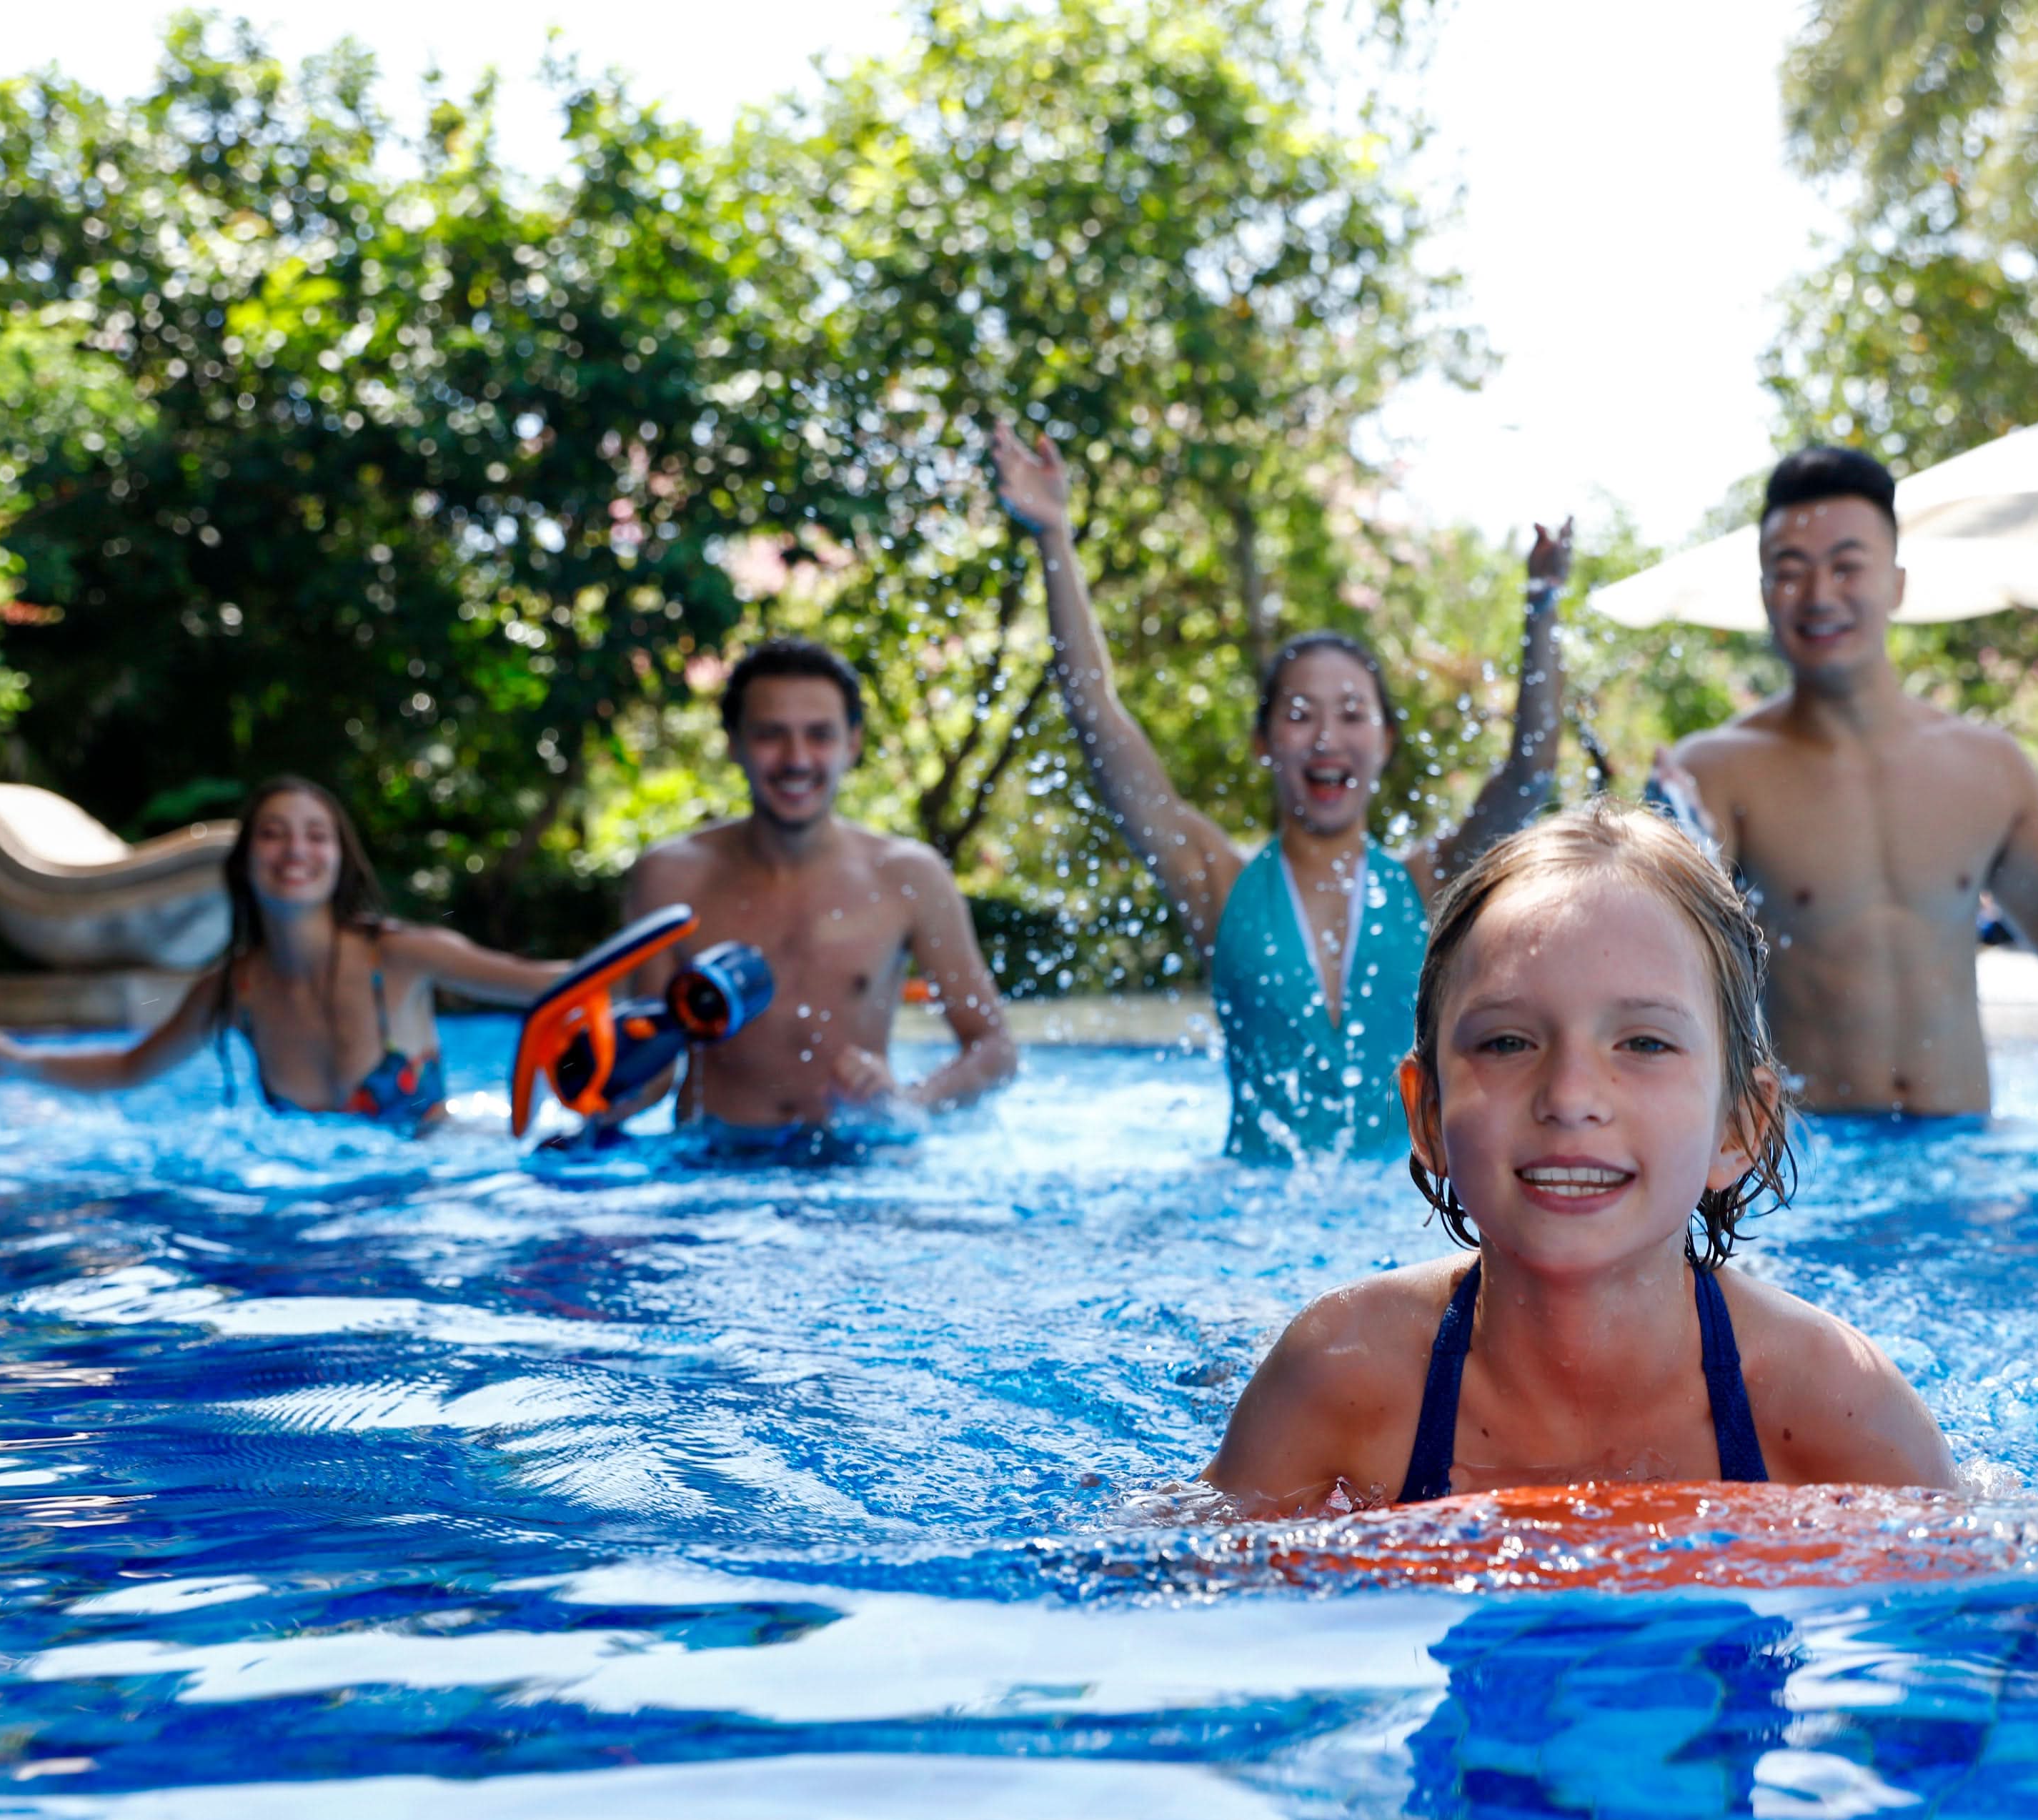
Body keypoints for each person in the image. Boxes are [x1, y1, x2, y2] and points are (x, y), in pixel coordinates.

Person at [1207, 802, 1956, 1514]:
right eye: (1507, 1042)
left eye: (1644, 1043)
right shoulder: (1340, 1378)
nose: (1569, 1096)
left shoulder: (1836, 1409)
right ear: (1427, 1114)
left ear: (1737, 1125)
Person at [990, 419, 1571, 1162]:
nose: (1327, 738)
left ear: (1385, 743)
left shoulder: (1431, 890)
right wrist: (1055, 542)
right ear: (1265, 744)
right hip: (1249, 1216)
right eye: (1300, 716)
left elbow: (1529, 773)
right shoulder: (1220, 886)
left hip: (1411, 1217)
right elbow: (1097, 717)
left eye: (1351, 714)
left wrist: (1542, 609)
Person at [1650, 446, 2038, 1116]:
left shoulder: (1987, 767)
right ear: (1765, 592)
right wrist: (1672, 863)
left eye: (1847, 567)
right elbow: (1660, 984)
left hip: (1967, 1157)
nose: (1819, 595)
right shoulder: (1715, 772)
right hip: (1814, 1164)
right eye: (1790, 572)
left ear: (1897, 582)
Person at [0, 776, 561, 1125]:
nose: (296, 851)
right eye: (273, 834)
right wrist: (15, 1058)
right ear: (244, 863)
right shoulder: (232, 990)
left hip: (438, 1190)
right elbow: (130, 1070)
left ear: (339, 859)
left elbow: (539, 982)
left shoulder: (400, 955)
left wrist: (653, 964)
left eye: (316, 836)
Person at [617, 637, 1015, 1143]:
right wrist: (598, 1100)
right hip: (711, 1168)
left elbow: (994, 1047)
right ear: (734, 743)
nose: (797, 759)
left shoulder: (910, 877)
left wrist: (906, 1101)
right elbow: (651, 1068)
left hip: (853, 1165)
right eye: (770, 735)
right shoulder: (672, 878)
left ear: (853, 744)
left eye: (820, 735)